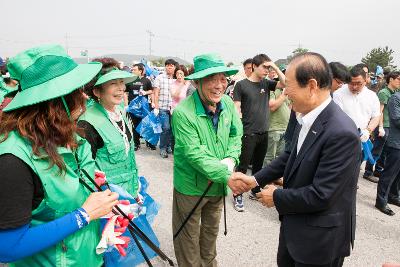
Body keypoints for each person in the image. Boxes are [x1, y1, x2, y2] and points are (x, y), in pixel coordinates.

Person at [234, 52, 361, 267]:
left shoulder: (341, 132)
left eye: (289, 86)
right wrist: (255, 180)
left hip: (320, 241)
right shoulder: (305, 116)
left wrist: (277, 197)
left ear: (311, 86)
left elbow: (323, 194)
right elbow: (289, 156)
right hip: (296, 227)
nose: (285, 92)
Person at [0, 45, 119, 266]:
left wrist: (90, 186)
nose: (84, 96)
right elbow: (7, 247)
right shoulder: (12, 161)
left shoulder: (68, 136)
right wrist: (84, 214)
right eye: (77, 90)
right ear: (56, 100)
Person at [171, 53, 250, 267]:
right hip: (190, 186)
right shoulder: (182, 113)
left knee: (210, 233)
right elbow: (193, 153)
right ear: (197, 82)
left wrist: (231, 159)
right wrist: (227, 175)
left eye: (223, 79)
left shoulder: (226, 102)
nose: (218, 85)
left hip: (217, 185)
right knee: (187, 238)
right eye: (211, 79)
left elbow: (236, 133)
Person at [78, 57, 140, 197]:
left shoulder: (121, 112)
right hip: (107, 202)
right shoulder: (87, 123)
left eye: (121, 82)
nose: (121, 88)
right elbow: (85, 173)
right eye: (113, 83)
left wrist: (136, 189)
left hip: (129, 194)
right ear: (97, 92)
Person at [232, 53, 286, 211]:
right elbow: (236, 108)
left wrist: (275, 66)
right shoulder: (241, 85)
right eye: (265, 67)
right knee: (242, 167)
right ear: (254, 66)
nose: (267, 70)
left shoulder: (266, 83)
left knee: (258, 167)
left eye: (269, 68)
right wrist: (237, 130)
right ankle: (237, 194)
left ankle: (254, 190)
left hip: (264, 132)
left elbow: (286, 84)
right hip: (248, 132)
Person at [333, 65, 381, 165]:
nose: (354, 87)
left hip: (361, 140)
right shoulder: (339, 93)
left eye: (358, 84)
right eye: (351, 83)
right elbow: (337, 116)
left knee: (353, 170)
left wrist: (368, 130)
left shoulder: (372, 96)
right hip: (340, 140)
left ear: (365, 81)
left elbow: (376, 116)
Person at [364, 71, 400, 183]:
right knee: (376, 150)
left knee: (383, 152)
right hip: (383, 125)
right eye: (398, 79)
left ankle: (378, 170)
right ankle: (368, 172)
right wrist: (380, 127)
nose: (399, 81)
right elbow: (380, 111)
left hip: (390, 126)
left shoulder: (394, 92)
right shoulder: (384, 92)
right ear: (391, 79)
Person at [375, 86, 400, 216]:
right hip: (396, 143)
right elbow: (396, 120)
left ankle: (393, 196)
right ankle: (381, 201)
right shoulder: (396, 98)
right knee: (389, 173)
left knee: (398, 175)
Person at [124, 63, 154, 150]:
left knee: (146, 124)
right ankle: (136, 143)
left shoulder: (146, 80)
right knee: (134, 125)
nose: (132, 71)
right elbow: (125, 93)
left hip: (144, 107)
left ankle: (149, 142)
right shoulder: (129, 80)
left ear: (140, 71)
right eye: (132, 69)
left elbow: (151, 91)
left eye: (134, 70)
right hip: (133, 107)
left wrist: (146, 92)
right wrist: (126, 106)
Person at [153, 59, 176, 158]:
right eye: (168, 65)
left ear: (174, 67)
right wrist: (156, 106)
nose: (170, 67)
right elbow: (156, 92)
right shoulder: (160, 78)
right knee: (165, 128)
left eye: (171, 65)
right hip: (163, 107)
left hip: (174, 108)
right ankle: (162, 148)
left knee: (172, 129)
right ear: (165, 67)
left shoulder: (176, 79)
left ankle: (169, 146)